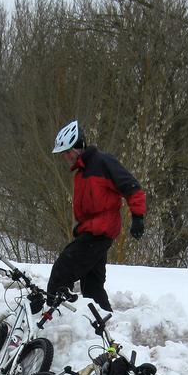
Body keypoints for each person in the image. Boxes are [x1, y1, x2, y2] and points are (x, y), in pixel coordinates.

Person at [46, 120, 146, 313]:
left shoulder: (102, 163)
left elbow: (132, 187)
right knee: (92, 287)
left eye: (67, 152)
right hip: (90, 231)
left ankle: (52, 316)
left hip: (99, 232)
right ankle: (106, 324)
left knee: (62, 271)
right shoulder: (82, 171)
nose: (66, 157)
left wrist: (138, 217)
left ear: (79, 146)